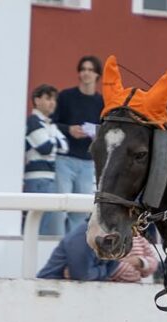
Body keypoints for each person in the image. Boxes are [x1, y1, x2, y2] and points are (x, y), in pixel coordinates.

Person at [52, 55, 103, 234]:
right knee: (59, 209)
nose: (86, 73)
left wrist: (96, 133)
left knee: (80, 211)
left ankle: (73, 248)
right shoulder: (66, 96)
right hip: (64, 159)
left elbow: (106, 131)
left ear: (97, 75)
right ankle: (55, 245)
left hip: (87, 163)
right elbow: (53, 123)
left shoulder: (101, 102)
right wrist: (69, 130)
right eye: (83, 70)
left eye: (90, 70)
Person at [24, 83, 68, 236]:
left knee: (44, 221)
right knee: (36, 222)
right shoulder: (33, 122)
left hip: (48, 178)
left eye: (54, 99)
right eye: (48, 98)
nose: (52, 103)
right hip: (36, 179)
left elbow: (65, 147)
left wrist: (51, 139)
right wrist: (54, 138)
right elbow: (46, 148)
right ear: (37, 100)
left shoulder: (49, 125)